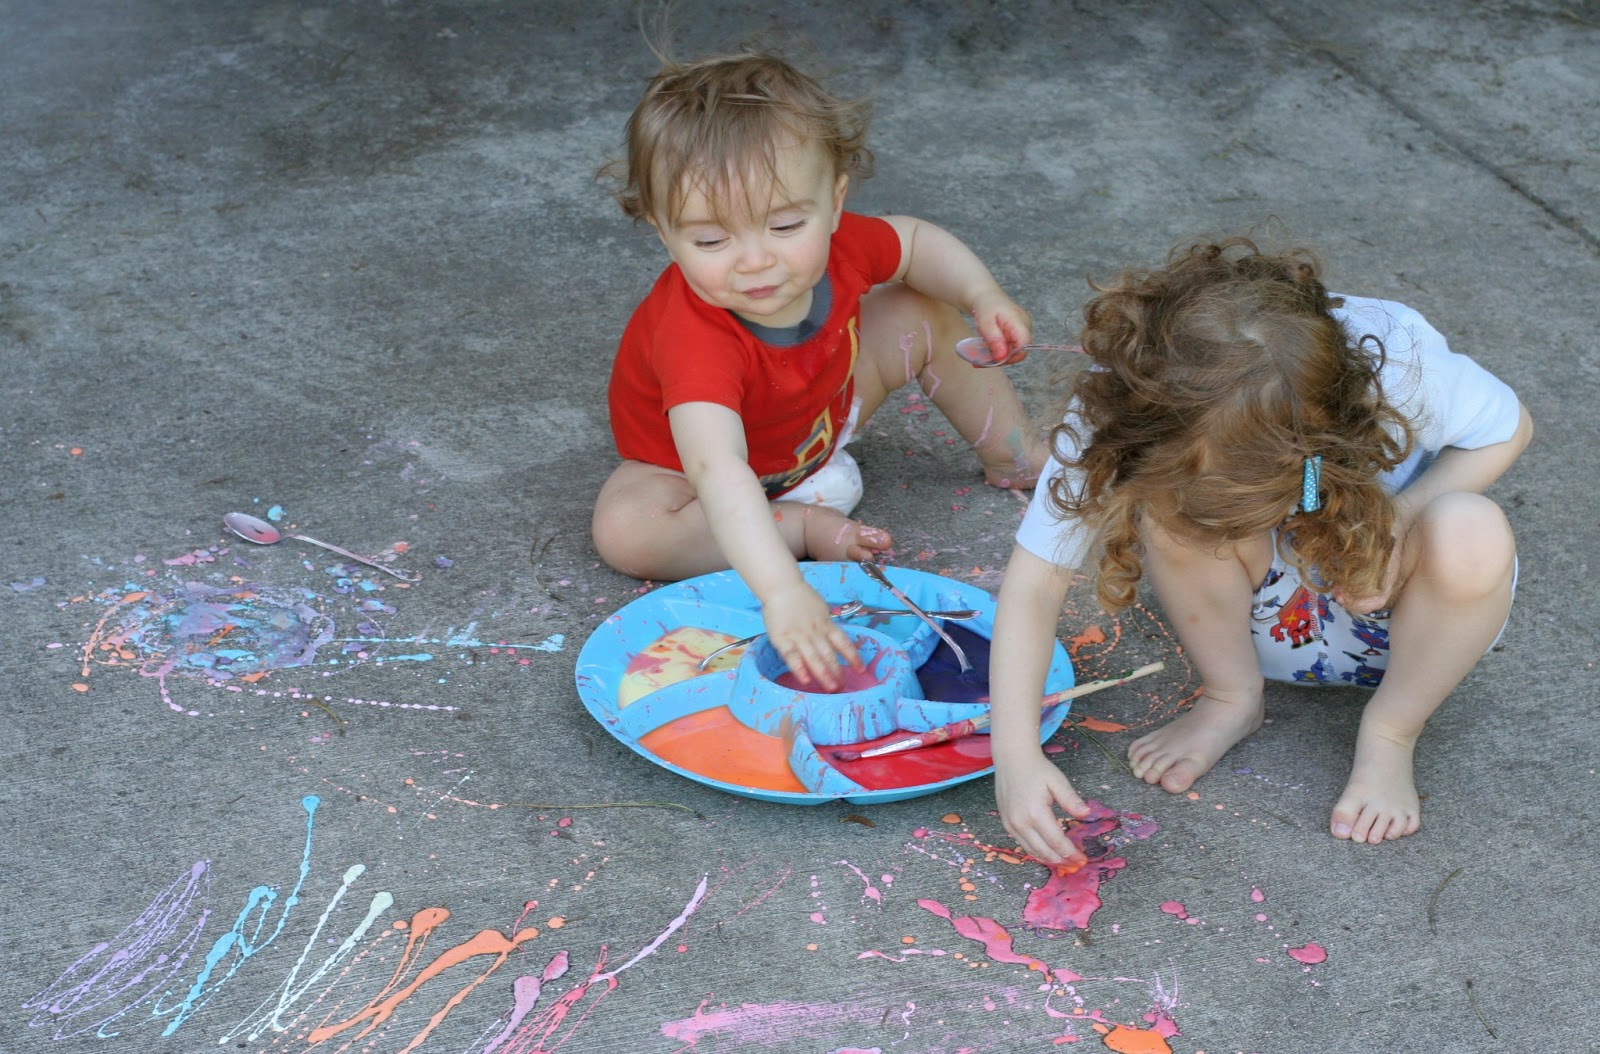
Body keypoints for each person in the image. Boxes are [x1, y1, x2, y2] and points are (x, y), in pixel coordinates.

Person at [989, 236, 1532, 867]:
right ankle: (1231, 696)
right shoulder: (1124, 399)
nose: (1218, 514)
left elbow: (1509, 428)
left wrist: (1399, 518)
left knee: (1473, 530)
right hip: (1265, 623)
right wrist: (1015, 757)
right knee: (1171, 517)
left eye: (1248, 499)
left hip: (1416, 626)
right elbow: (1034, 583)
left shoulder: (1398, 356)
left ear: (1314, 446)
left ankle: (1390, 734)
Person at [591, 51, 1047, 689]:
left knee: (920, 308)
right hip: (696, 478)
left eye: (783, 225)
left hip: (819, 415)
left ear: (833, 203)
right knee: (627, 531)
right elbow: (716, 468)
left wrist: (983, 295)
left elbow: (914, 243)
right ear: (662, 233)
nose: (754, 261)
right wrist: (780, 590)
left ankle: (1020, 454)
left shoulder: (842, 247)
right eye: (710, 240)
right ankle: (797, 525)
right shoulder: (694, 338)